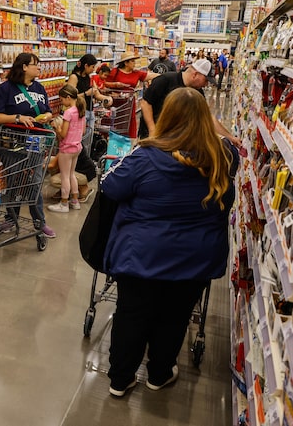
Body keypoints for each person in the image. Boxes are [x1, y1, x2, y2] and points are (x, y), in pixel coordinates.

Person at [102, 88, 239, 397]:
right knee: (174, 318)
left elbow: (111, 187)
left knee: (131, 315)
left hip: (142, 254)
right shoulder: (224, 156)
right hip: (194, 258)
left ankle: (120, 379)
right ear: (206, 119)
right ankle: (159, 373)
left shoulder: (145, 155)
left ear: (166, 117)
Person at [0, 52, 56, 238]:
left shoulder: (40, 88)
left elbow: (48, 111)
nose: (39, 67)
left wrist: (47, 116)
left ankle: (39, 222)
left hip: (36, 141)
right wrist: (17, 118)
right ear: (24, 67)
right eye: (36, 64)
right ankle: (11, 219)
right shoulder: (6, 89)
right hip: (12, 142)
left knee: (35, 182)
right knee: (13, 181)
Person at [47, 84, 86, 213]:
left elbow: (63, 134)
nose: (62, 103)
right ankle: (75, 201)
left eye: (62, 100)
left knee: (64, 176)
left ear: (68, 97)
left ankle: (64, 203)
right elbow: (84, 131)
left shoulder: (68, 113)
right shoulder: (81, 110)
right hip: (77, 147)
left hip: (66, 148)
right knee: (71, 174)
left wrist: (56, 128)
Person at [104, 53, 160, 139]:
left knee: (128, 122)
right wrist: (116, 85)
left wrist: (164, 75)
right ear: (126, 63)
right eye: (132, 61)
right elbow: (105, 83)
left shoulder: (136, 73)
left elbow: (148, 76)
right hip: (115, 102)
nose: (134, 63)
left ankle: (126, 143)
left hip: (129, 103)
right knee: (115, 123)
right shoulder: (115, 71)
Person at [67, 53, 112, 152]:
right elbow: (69, 97)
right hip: (79, 112)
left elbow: (96, 93)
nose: (93, 69)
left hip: (90, 111)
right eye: (92, 67)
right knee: (78, 141)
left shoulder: (89, 77)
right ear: (85, 65)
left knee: (88, 141)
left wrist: (107, 98)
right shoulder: (74, 77)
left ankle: (85, 162)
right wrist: (86, 93)